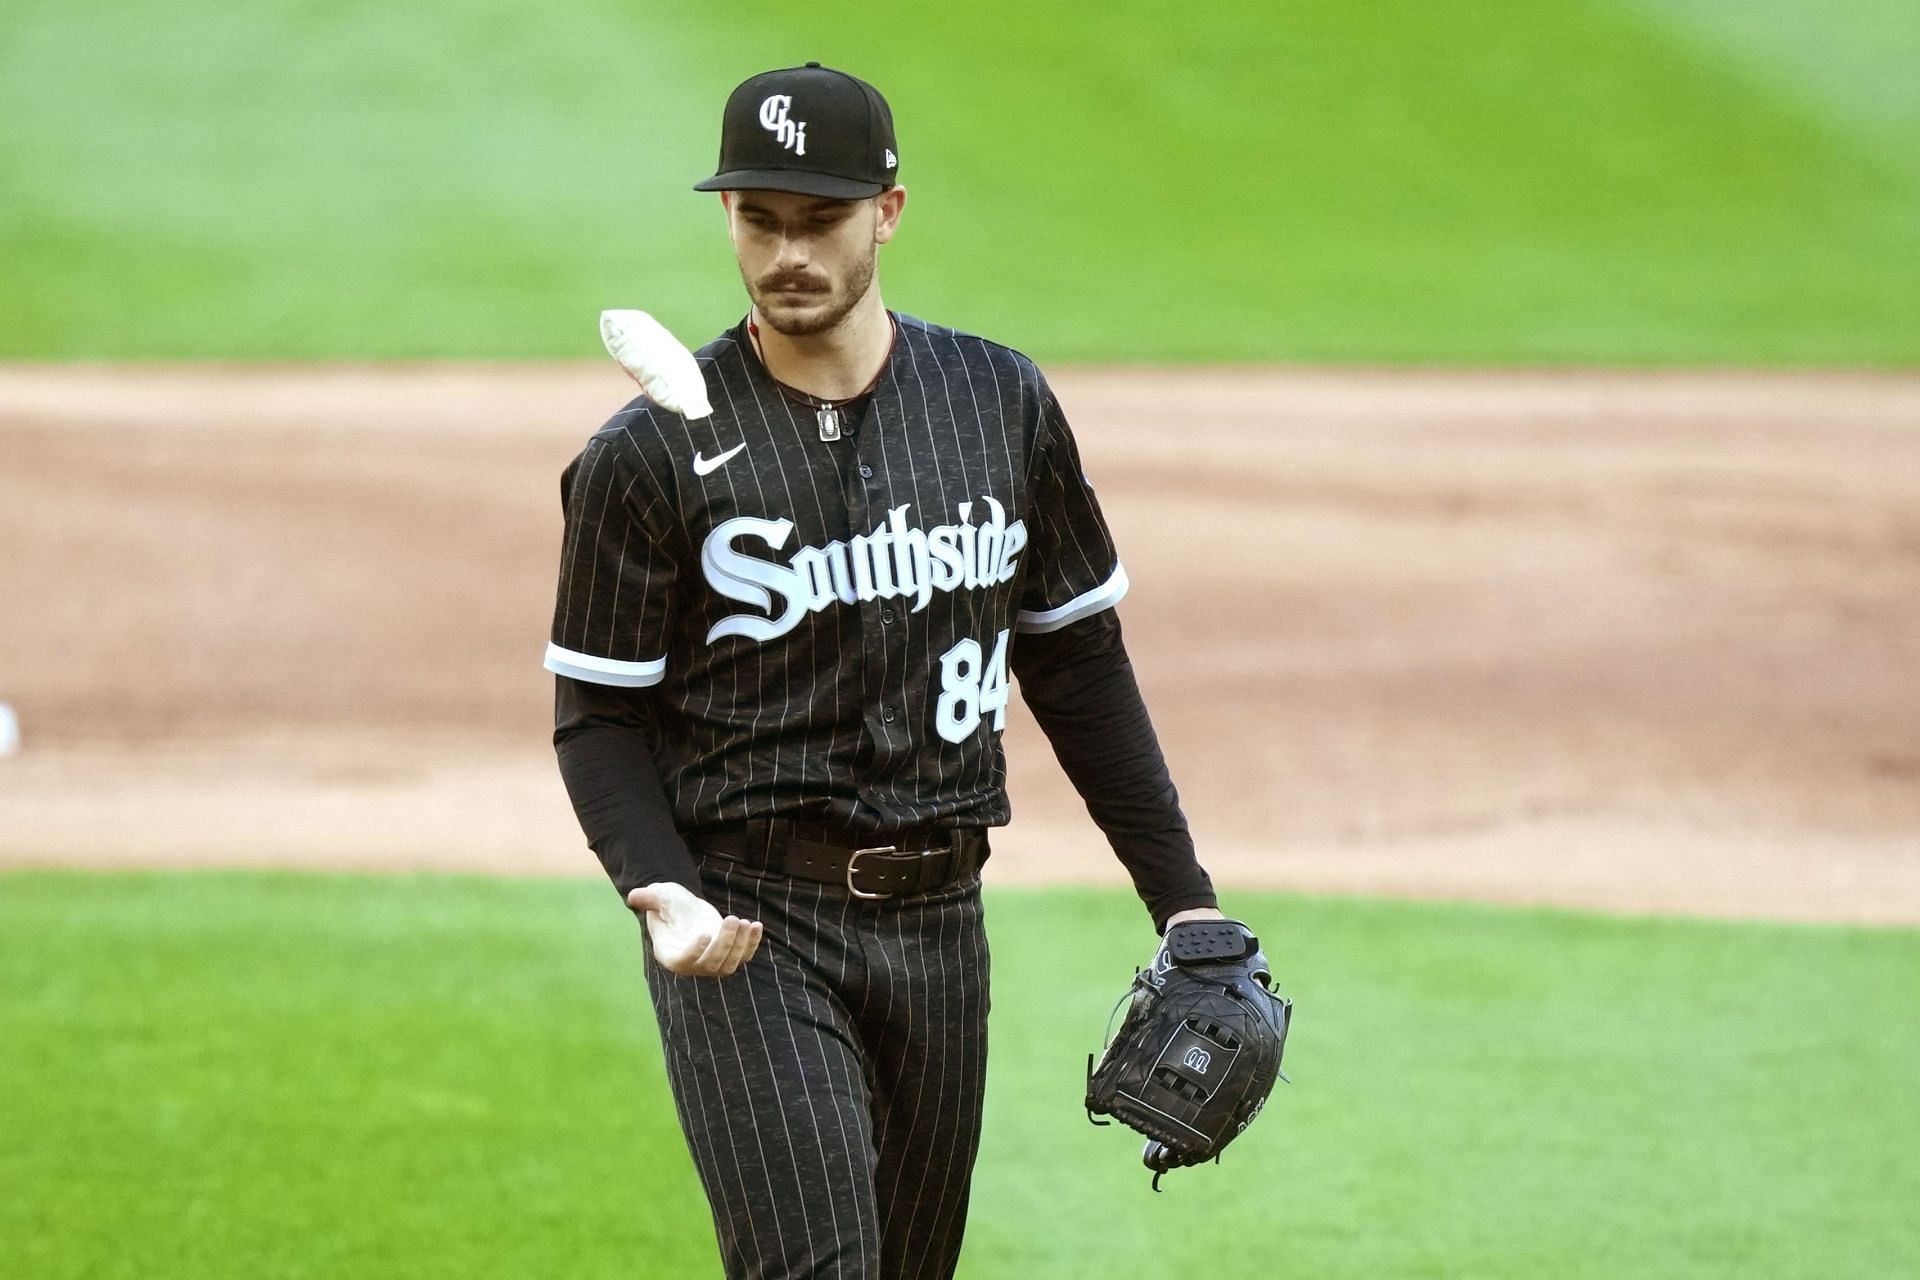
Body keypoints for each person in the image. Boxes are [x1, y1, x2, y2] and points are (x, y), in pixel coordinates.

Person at [547, 62, 1225, 1280]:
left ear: (888, 211)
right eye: (760, 219)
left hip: (941, 921)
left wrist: (1184, 899)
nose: (787, 252)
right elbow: (597, 715)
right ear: (729, 217)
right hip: (749, 922)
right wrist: (657, 884)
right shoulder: (645, 457)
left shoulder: (997, 401)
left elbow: (1076, 661)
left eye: (820, 219)